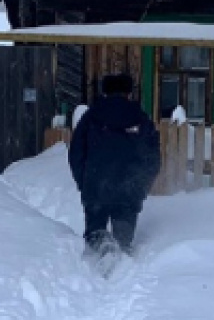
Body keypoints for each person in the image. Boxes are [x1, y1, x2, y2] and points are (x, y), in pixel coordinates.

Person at [67, 73, 161, 254]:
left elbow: (76, 154)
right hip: (128, 189)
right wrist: (142, 185)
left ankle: (96, 266)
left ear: (104, 92)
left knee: (95, 239)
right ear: (129, 93)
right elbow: (153, 157)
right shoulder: (141, 118)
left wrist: (84, 181)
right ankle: (120, 265)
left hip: (96, 187)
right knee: (123, 244)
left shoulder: (91, 117)